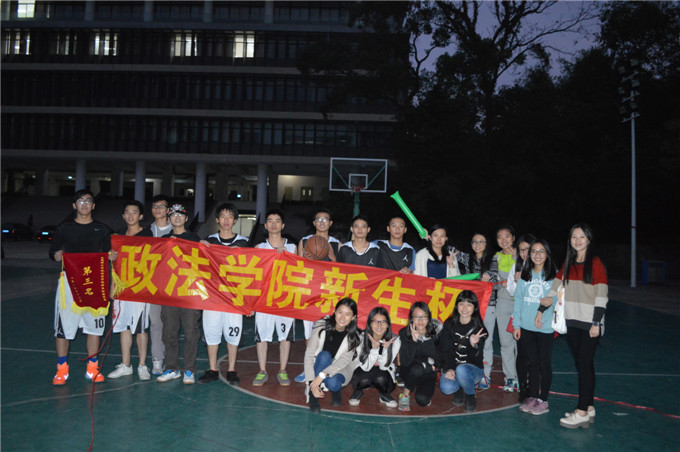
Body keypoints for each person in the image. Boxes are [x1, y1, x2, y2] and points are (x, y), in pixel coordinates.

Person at [544, 224, 608, 429]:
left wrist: (596, 322)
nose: (577, 240)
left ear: (589, 239)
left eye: (582, 236)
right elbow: (557, 282)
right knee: (584, 365)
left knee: (584, 363)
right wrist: (547, 299)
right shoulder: (569, 262)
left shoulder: (595, 263)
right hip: (572, 320)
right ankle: (589, 407)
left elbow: (602, 295)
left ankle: (581, 412)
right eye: (574, 237)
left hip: (590, 323)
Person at [49, 189, 113, 385]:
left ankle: (92, 368)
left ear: (93, 206)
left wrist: (112, 256)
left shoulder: (102, 229)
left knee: (94, 328)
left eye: (88, 201)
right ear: (74, 205)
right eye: (80, 201)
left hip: (95, 285)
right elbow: (52, 252)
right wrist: (56, 255)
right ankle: (62, 369)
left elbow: (110, 253)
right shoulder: (64, 228)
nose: (84, 204)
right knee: (63, 329)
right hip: (69, 285)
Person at [197, 203, 248, 385]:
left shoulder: (244, 243)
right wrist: (198, 248)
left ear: (235, 220)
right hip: (213, 297)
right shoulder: (209, 241)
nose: (226, 220)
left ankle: (232, 370)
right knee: (212, 334)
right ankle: (212, 369)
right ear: (217, 220)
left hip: (234, 298)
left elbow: (250, 273)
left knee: (233, 334)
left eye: (230, 216)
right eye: (223, 216)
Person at [107, 201, 154, 381]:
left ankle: (142, 365)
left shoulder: (147, 234)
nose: (130, 215)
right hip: (122, 287)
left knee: (141, 328)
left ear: (140, 216)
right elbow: (115, 265)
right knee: (123, 326)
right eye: (127, 212)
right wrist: (113, 285)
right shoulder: (117, 236)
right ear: (123, 216)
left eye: (134, 212)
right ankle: (126, 365)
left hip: (140, 287)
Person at [157, 204, 202, 384]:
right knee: (169, 331)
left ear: (186, 218)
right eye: (173, 215)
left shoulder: (194, 239)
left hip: (189, 292)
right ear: (169, 219)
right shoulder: (163, 240)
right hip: (169, 292)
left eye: (180, 215)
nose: (177, 217)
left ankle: (189, 369)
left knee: (191, 332)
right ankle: (172, 367)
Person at [295, 208, 342, 382]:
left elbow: (343, 272)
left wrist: (332, 257)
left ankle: (326, 369)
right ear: (314, 223)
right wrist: (305, 261)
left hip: (329, 295)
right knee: (309, 334)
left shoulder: (338, 244)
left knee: (328, 334)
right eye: (319, 219)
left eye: (325, 219)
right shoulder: (305, 241)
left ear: (330, 223)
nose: (322, 222)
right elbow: (298, 268)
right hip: (310, 293)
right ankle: (308, 369)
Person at [253, 209, 297, 387]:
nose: (273, 223)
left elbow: (299, 273)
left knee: (285, 337)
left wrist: (287, 257)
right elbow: (254, 277)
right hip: (264, 299)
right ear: (265, 225)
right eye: (270, 220)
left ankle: (283, 370)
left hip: (285, 299)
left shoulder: (292, 248)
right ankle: (262, 370)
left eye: (277, 220)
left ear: (283, 225)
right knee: (262, 337)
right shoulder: (259, 248)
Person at [512, 239, 556, 415]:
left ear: (547, 254)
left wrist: (546, 306)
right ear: (529, 255)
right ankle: (533, 396)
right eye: (534, 252)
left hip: (545, 327)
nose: (537, 255)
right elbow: (518, 300)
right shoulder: (525, 274)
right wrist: (516, 325)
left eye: (541, 251)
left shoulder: (554, 276)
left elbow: (558, 299)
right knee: (532, 363)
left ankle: (543, 399)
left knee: (544, 363)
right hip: (526, 327)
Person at [304, 298, 361, 412]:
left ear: (353, 317)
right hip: (320, 363)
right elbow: (309, 354)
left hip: (340, 368)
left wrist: (322, 375)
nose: (342, 318)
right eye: (340, 312)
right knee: (324, 355)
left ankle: (335, 390)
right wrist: (311, 383)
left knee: (333, 383)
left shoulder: (353, 336)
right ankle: (313, 394)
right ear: (335, 311)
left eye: (347, 314)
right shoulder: (321, 326)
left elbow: (343, 361)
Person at [438, 291, 488, 412]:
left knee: (461, 370)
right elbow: (445, 350)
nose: (465, 308)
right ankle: (459, 388)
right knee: (447, 387)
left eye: (469, 305)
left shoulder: (478, 329)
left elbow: (477, 360)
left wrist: (473, 345)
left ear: (475, 308)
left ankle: (470, 396)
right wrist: (449, 368)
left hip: (473, 371)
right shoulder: (449, 324)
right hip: (454, 367)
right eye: (461, 304)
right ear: (457, 306)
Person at [482, 225, 519, 393]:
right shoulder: (495, 258)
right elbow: (493, 284)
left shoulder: (524, 254)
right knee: (506, 343)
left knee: (522, 344)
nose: (504, 240)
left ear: (513, 237)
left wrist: (518, 258)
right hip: (503, 303)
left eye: (507, 236)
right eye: (500, 237)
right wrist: (498, 283)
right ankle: (510, 377)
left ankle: (524, 375)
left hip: (523, 304)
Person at [349, 307, 401, 408]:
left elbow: (384, 367)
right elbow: (366, 367)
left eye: (383, 322)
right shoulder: (361, 337)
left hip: (383, 372)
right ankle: (358, 391)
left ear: (388, 324)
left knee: (381, 378)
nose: (379, 325)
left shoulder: (395, 340)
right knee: (364, 379)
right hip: (363, 371)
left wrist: (385, 350)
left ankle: (384, 394)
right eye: (375, 322)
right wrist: (374, 350)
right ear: (369, 323)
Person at [506, 233, 536, 402]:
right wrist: (517, 282)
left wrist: (526, 280)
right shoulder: (516, 265)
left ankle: (534, 385)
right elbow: (511, 291)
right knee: (522, 353)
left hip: (537, 317)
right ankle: (523, 387)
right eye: (521, 250)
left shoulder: (541, 266)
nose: (524, 253)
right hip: (520, 316)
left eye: (527, 249)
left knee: (535, 354)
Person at [397, 302, 441, 411]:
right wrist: (413, 341)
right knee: (417, 369)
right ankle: (405, 395)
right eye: (417, 317)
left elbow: (441, 356)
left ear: (429, 318)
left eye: (424, 317)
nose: (420, 321)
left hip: (428, 371)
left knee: (422, 401)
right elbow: (405, 362)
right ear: (411, 318)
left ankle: (418, 386)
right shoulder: (404, 333)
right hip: (410, 370)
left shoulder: (436, 333)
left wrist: (435, 366)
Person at [148, 194, 173, 376]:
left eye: (162, 206)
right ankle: (157, 359)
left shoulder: (177, 231)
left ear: (168, 210)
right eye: (155, 206)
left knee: (171, 325)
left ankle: (171, 361)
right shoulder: (145, 232)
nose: (158, 209)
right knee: (155, 323)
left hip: (173, 286)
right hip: (151, 287)